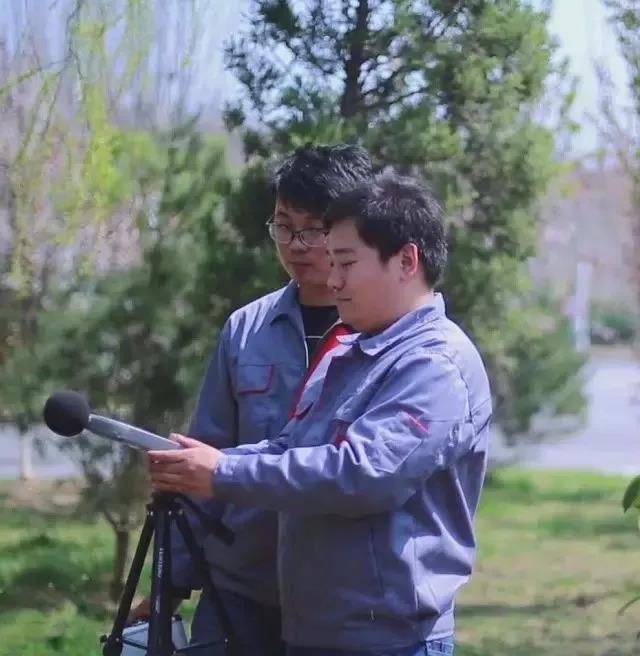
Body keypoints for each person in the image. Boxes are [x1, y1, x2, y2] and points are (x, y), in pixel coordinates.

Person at [148, 173, 493, 656]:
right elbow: (292, 447)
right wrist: (201, 464)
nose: (333, 281)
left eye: (346, 264)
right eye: (332, 263)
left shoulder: (435, 365)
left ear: (406, 261)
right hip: (315, 629)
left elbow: (362, 474)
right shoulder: (352, 350)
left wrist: (223, 473)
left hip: (388, 640)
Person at [129, 144, 375, 655]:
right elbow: (205, 457)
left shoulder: (383, 336)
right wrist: (168, 584)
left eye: (314, 230)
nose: (297, 245)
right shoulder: (247, 329)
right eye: (284, 226)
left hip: (341, 598)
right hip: (238, 589)